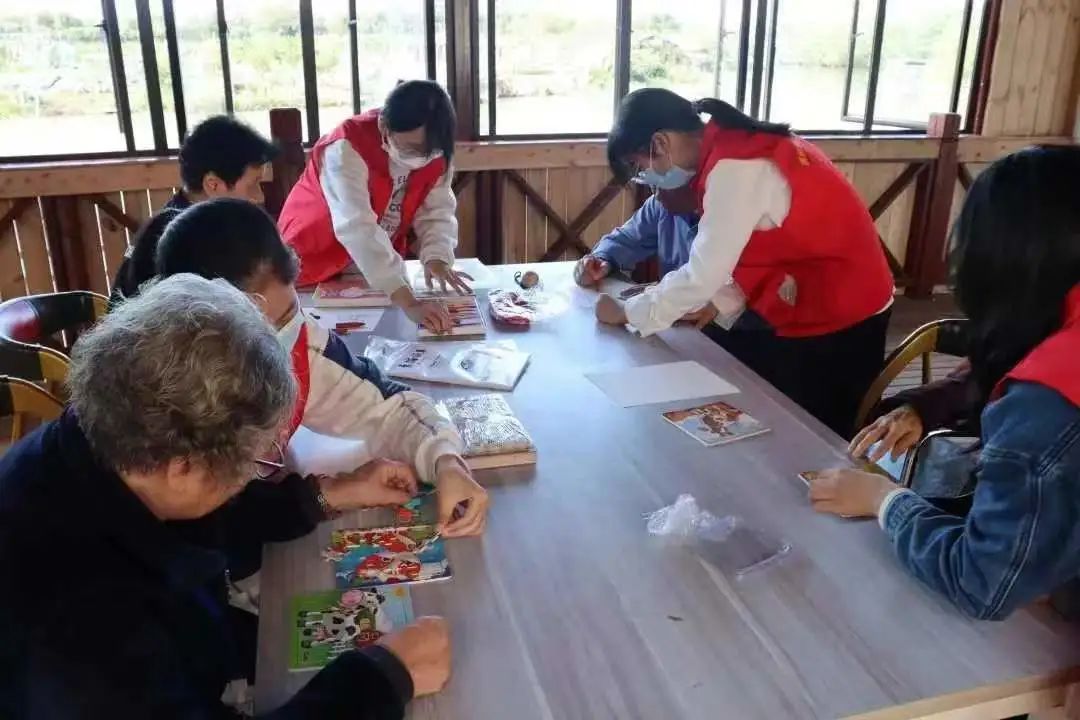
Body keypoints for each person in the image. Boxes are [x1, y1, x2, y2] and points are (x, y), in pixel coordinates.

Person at [0, 275, 451, 718]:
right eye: (249, 464)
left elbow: (203, 512)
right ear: (184, 468)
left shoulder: (104, 435)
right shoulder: (82, 634)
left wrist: (325, 495)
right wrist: (385, 677)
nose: (246, 479)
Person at [809, 145, 1080, 620]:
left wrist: (884, 501)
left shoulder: (1048, 396)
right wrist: (921, 406)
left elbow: (980, 582)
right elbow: (996, 369)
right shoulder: (1053, 338)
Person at [155, 198, 488, 543]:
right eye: (256, 333)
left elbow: (390, 408)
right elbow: (206, 530)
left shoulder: (303, 346)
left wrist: (445, 461)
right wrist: (321, 497)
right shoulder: (162, 406)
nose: (278, 342)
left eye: (288, 315)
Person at [597, 88, 895, 438]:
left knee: (819, 434)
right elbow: (747, 252)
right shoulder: (734, 148)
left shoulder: (735, 168)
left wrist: (628, 312)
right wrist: (718, 300)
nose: (646, 180)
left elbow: (701, 275)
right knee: (786, 420)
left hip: (847, 310)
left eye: (639, 168)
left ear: (659, 144)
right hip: (818, 294)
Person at [279, 80, 469, 334]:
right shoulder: (347, 145)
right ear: (383, 126)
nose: (420, 159)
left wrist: (437, 256)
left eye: (429, 151)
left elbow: (438, 211)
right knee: (319, 340)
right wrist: (409, 301)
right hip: (312, 258)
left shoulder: (436, 151)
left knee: (381, 338)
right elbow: (357, 226)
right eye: (411, 148)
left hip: (369, 265)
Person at [110, 114, 278, 307]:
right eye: (253, 184)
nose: (259, 196)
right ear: (213, 185)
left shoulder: (200, 224)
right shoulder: (182, 241)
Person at [574, 187, 698, 289]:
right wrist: (599, 260)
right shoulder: (660, 204)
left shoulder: (709, 214)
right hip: (668, 306)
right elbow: (626, 238)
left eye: (663, 181)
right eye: (652, 185)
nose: (657, 194)